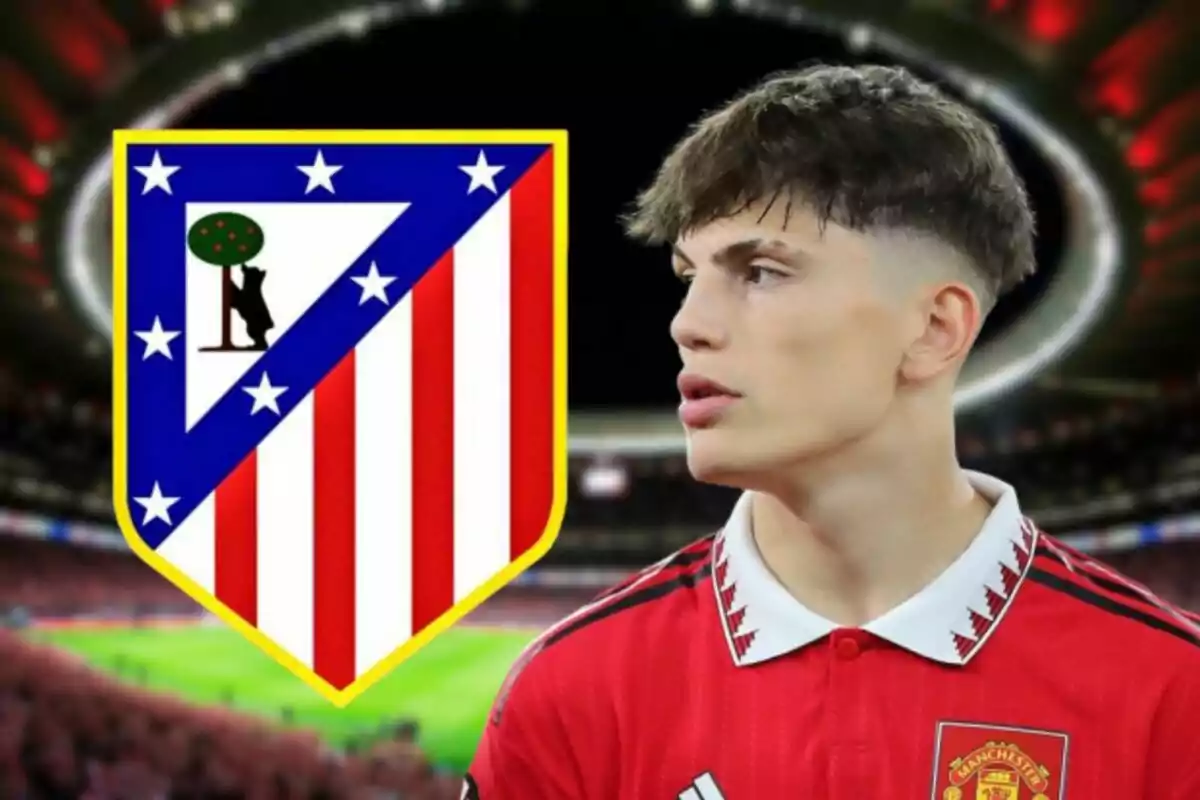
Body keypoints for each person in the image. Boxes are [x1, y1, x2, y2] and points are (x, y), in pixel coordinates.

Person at [465, 63, 1200, 799]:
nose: (688, 325)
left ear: (935, 329)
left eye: (760, 271)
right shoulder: (569, 691)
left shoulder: (1173, 697)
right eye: (689, 278)